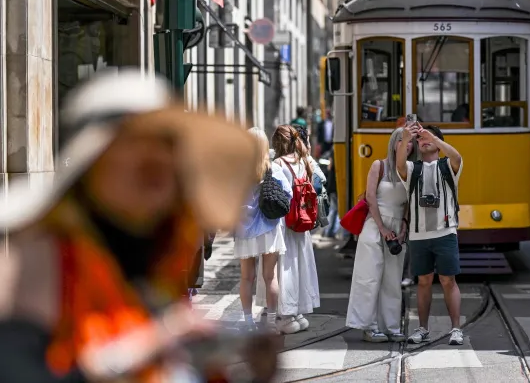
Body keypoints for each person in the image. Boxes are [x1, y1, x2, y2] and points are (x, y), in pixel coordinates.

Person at [0, 71, 276, 382]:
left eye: (168, 145)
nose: (158, 158)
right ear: (91, 163)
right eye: (137, 142)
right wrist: (152, 343)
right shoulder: (36, 261)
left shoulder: (160, 259)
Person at [396, 123, 465, 346]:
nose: (424, 141)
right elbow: (399, 164)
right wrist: (407, 137)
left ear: (438, 142)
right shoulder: (413, 169)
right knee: (423, 282)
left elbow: (457, 156)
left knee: (448, 280)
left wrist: (434, 139)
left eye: (429, 138)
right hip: (418, 235)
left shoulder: (447, 166)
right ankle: (422, 328)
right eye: (421, 139)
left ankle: (456, 329)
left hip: (446, 232)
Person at [346, 128, 416, 342]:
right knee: (369, 277)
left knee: (392, 280)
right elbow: (370, 197)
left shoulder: (411, 169)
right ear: (394, 143)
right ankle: (369, 326)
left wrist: (404, 223)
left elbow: (406, 202)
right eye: (403, 141)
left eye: (411, 142)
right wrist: (382, 228)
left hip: (397, 227)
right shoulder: (379, 165)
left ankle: (392, 327)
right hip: (375, 225)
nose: (408, 145)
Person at [235, 128, 288, 332]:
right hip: (269, 228)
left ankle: (248, 323)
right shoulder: (274, 169)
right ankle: (272, 323)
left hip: (244, 228)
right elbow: (287, 195)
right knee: (270, 277)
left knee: (247, 277)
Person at [271, 124, 322, 334]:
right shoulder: (303, 162)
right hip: (302, 221)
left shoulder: (278, 164)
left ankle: (286, 315)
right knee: (301, 262)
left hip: (285, 222)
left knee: (286, 266)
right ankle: (299, 312)